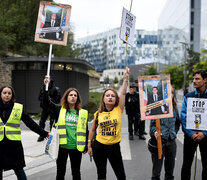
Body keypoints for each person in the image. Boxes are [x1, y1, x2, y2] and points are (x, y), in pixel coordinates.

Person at [42, 76, 88, 180]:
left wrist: (85, 144)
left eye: (75, 95)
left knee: (76, 173)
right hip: (62, 146)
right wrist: (45, 86)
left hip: (76, 147)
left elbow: (85, 130)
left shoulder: (82, 113)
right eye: (70, 95)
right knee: (60, 173)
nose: (73, 97)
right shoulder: (59, 109)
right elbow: (45, 103)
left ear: (77, 98)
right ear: (66, 97)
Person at [87, 67, 130, 180]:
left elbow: (123, 94)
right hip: (99, 147)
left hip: (114, 148)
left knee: (121, 176)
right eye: (107, 95)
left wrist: (125, 79)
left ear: (116, 99)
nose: (110, 97)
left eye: (112, 96)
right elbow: (92, 130)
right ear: (103, 99)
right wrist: (89, 144)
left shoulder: (119, 109)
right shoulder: (98, 113)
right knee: (101, 176)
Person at [0, 86, 49, 180]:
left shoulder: (18, 107)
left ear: (12, 95)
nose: (7, 95)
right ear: (0, 94)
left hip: (14, 145)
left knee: (19, 169)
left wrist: (44, 133)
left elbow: (30, 123)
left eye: (9, 93)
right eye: (4, 93)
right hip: (0, 145)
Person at [148, 85, 180, 180]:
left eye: (172, 92)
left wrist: (173, 132)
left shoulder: (174, 107)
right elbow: (152, 127)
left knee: (169, 173)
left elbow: (177, 122)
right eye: (167, 93)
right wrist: (155, 133)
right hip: (159, 143)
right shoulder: (157, 108)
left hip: (171, 142)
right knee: (156, 173)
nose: (170, 95)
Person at [180, 70, 207, 180]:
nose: (194, 81)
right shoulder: (188, 96)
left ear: (205, 80)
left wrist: (204, 133)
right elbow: (183, 116)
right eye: (193, 79)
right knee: (186, 164)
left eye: (197, 79)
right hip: (190, 136)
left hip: (205, 136)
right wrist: (190, 133)